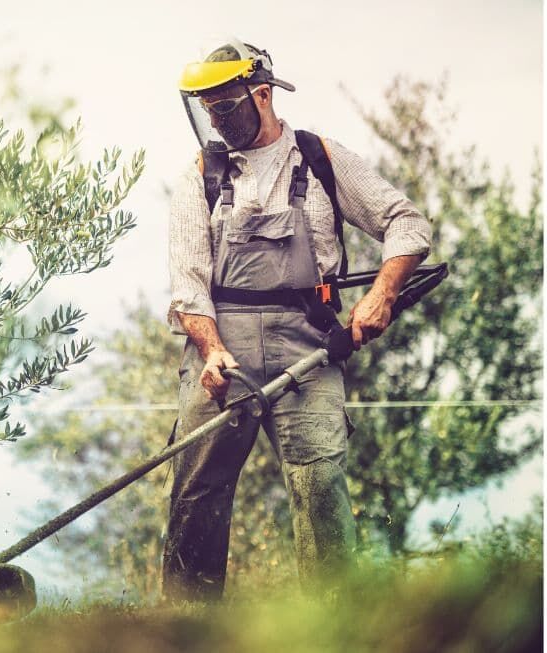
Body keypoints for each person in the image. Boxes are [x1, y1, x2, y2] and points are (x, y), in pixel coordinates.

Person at [162, 38, 432, 600]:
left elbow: (407, 223)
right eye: (206, 107)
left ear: (261, 95)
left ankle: (332, 621)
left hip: (308, 346)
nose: (214, 117)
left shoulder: (319, 158)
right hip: (222, 351)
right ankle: (185, 626)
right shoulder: (200, 175)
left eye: (225, 105)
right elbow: (188, 285)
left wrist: (381, 295)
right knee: (196, 490)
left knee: (320, 485)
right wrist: (210, 348)